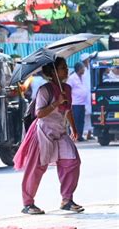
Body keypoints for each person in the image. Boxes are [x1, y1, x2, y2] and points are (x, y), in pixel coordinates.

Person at [14, 57, 83, 215]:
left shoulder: (67, 88)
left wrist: (73, 128)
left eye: (66, 67)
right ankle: (28, 203)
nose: (66, 70)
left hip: (60, 132)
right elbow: (39, 113)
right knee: (36, 168)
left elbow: (68, 110)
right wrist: (56, 102)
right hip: (43, 132)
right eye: (62, 68)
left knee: (72, 162)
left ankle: (67, 199)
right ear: (52, 72)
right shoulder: (45, 90)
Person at [67, 62, 89, 142]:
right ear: (79, 69)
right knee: (74, 120)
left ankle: (79, 136)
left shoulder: (82, 77)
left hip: (82, 103)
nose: (84, 70)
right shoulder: (72, 78)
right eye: (83, 68)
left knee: (81, 120)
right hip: (75, 103)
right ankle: (73, 135)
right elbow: (68, 89)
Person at [80, 53, 94, 140]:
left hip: (91, 94)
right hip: (84, 96)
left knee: (91, 114)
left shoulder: (91, 68)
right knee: (85, 115)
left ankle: (90, 133)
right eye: (88, 59)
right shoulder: (83, 71)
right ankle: (84, 133)